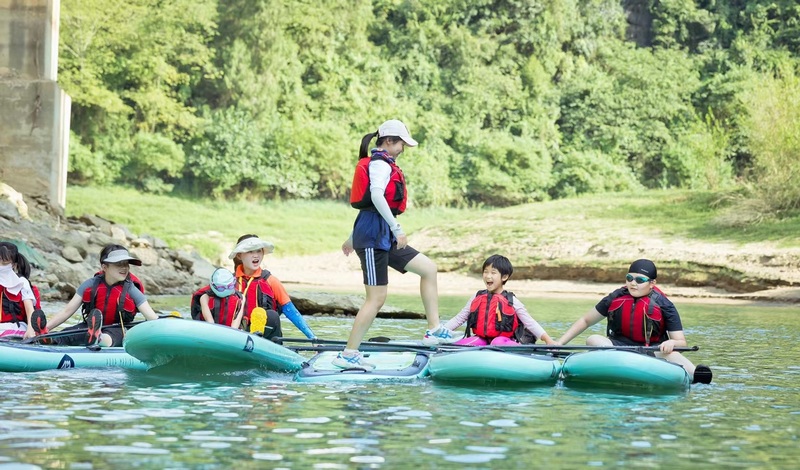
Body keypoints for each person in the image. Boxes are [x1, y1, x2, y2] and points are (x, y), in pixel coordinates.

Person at [336, 119, 451, 370]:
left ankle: (433, 329)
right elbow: (376, 196)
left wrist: (352, 237)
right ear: (388, 142)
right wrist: (397, 228)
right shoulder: (380, 164)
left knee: (428, 269)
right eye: (401, 144)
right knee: (376, 298)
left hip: (380, 234)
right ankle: (348, 353)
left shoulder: (384, 163)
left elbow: (371, 206)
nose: (403, 149)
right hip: (376, 236)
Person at [556, 258, 713, 384]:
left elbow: (681, 341)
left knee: (672, 355)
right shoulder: (616, 296)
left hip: (652, 350)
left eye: (640, 280)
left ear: (652, 283)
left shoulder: (665, 305)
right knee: (593, 339)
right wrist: (560, 343)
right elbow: (586, 320)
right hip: (617, 348)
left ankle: (696, 376)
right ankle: (613, 365)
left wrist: (672, 343)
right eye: (629, 278)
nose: (633, 283)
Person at [35, 244, 159, 347]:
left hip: (118, 328)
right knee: (68, 334)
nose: (124, 268)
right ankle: (48, 339)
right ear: (104, 267)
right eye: (118, 264)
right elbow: (67, 311)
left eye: (126, 264)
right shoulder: (90, 284)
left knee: (111, 337)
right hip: (89, 327)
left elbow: (151, 318)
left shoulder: (131, 289)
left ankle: (98, 338)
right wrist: (47, 329)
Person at [442, 254, 556, 346]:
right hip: (481, 340)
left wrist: (547, 340)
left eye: (493, 272)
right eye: (485, 271)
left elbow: (530, 323)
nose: (487, 276)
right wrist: (440, 332)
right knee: (472, 341)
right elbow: (459, 319)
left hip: (504, 342)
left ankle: (518, 349)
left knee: (497, 342)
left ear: (504, 277)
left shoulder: (512, 301)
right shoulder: (476, 297)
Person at [229, 234, 316, 341]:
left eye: (259, 251)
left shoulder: (271, 281)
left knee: (272, 315)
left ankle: (256, 339)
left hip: (267, 338)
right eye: (250, 251)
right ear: (239, 256)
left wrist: (312, 338)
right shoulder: (228, 281)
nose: (256, 255)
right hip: (237, 333)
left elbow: (291, 311)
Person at [0, 242, 41, 339]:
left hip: (16, 328)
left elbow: (30, 309)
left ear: (14, 265)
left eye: (4, 262)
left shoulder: (22, 282)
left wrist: (30, 330)